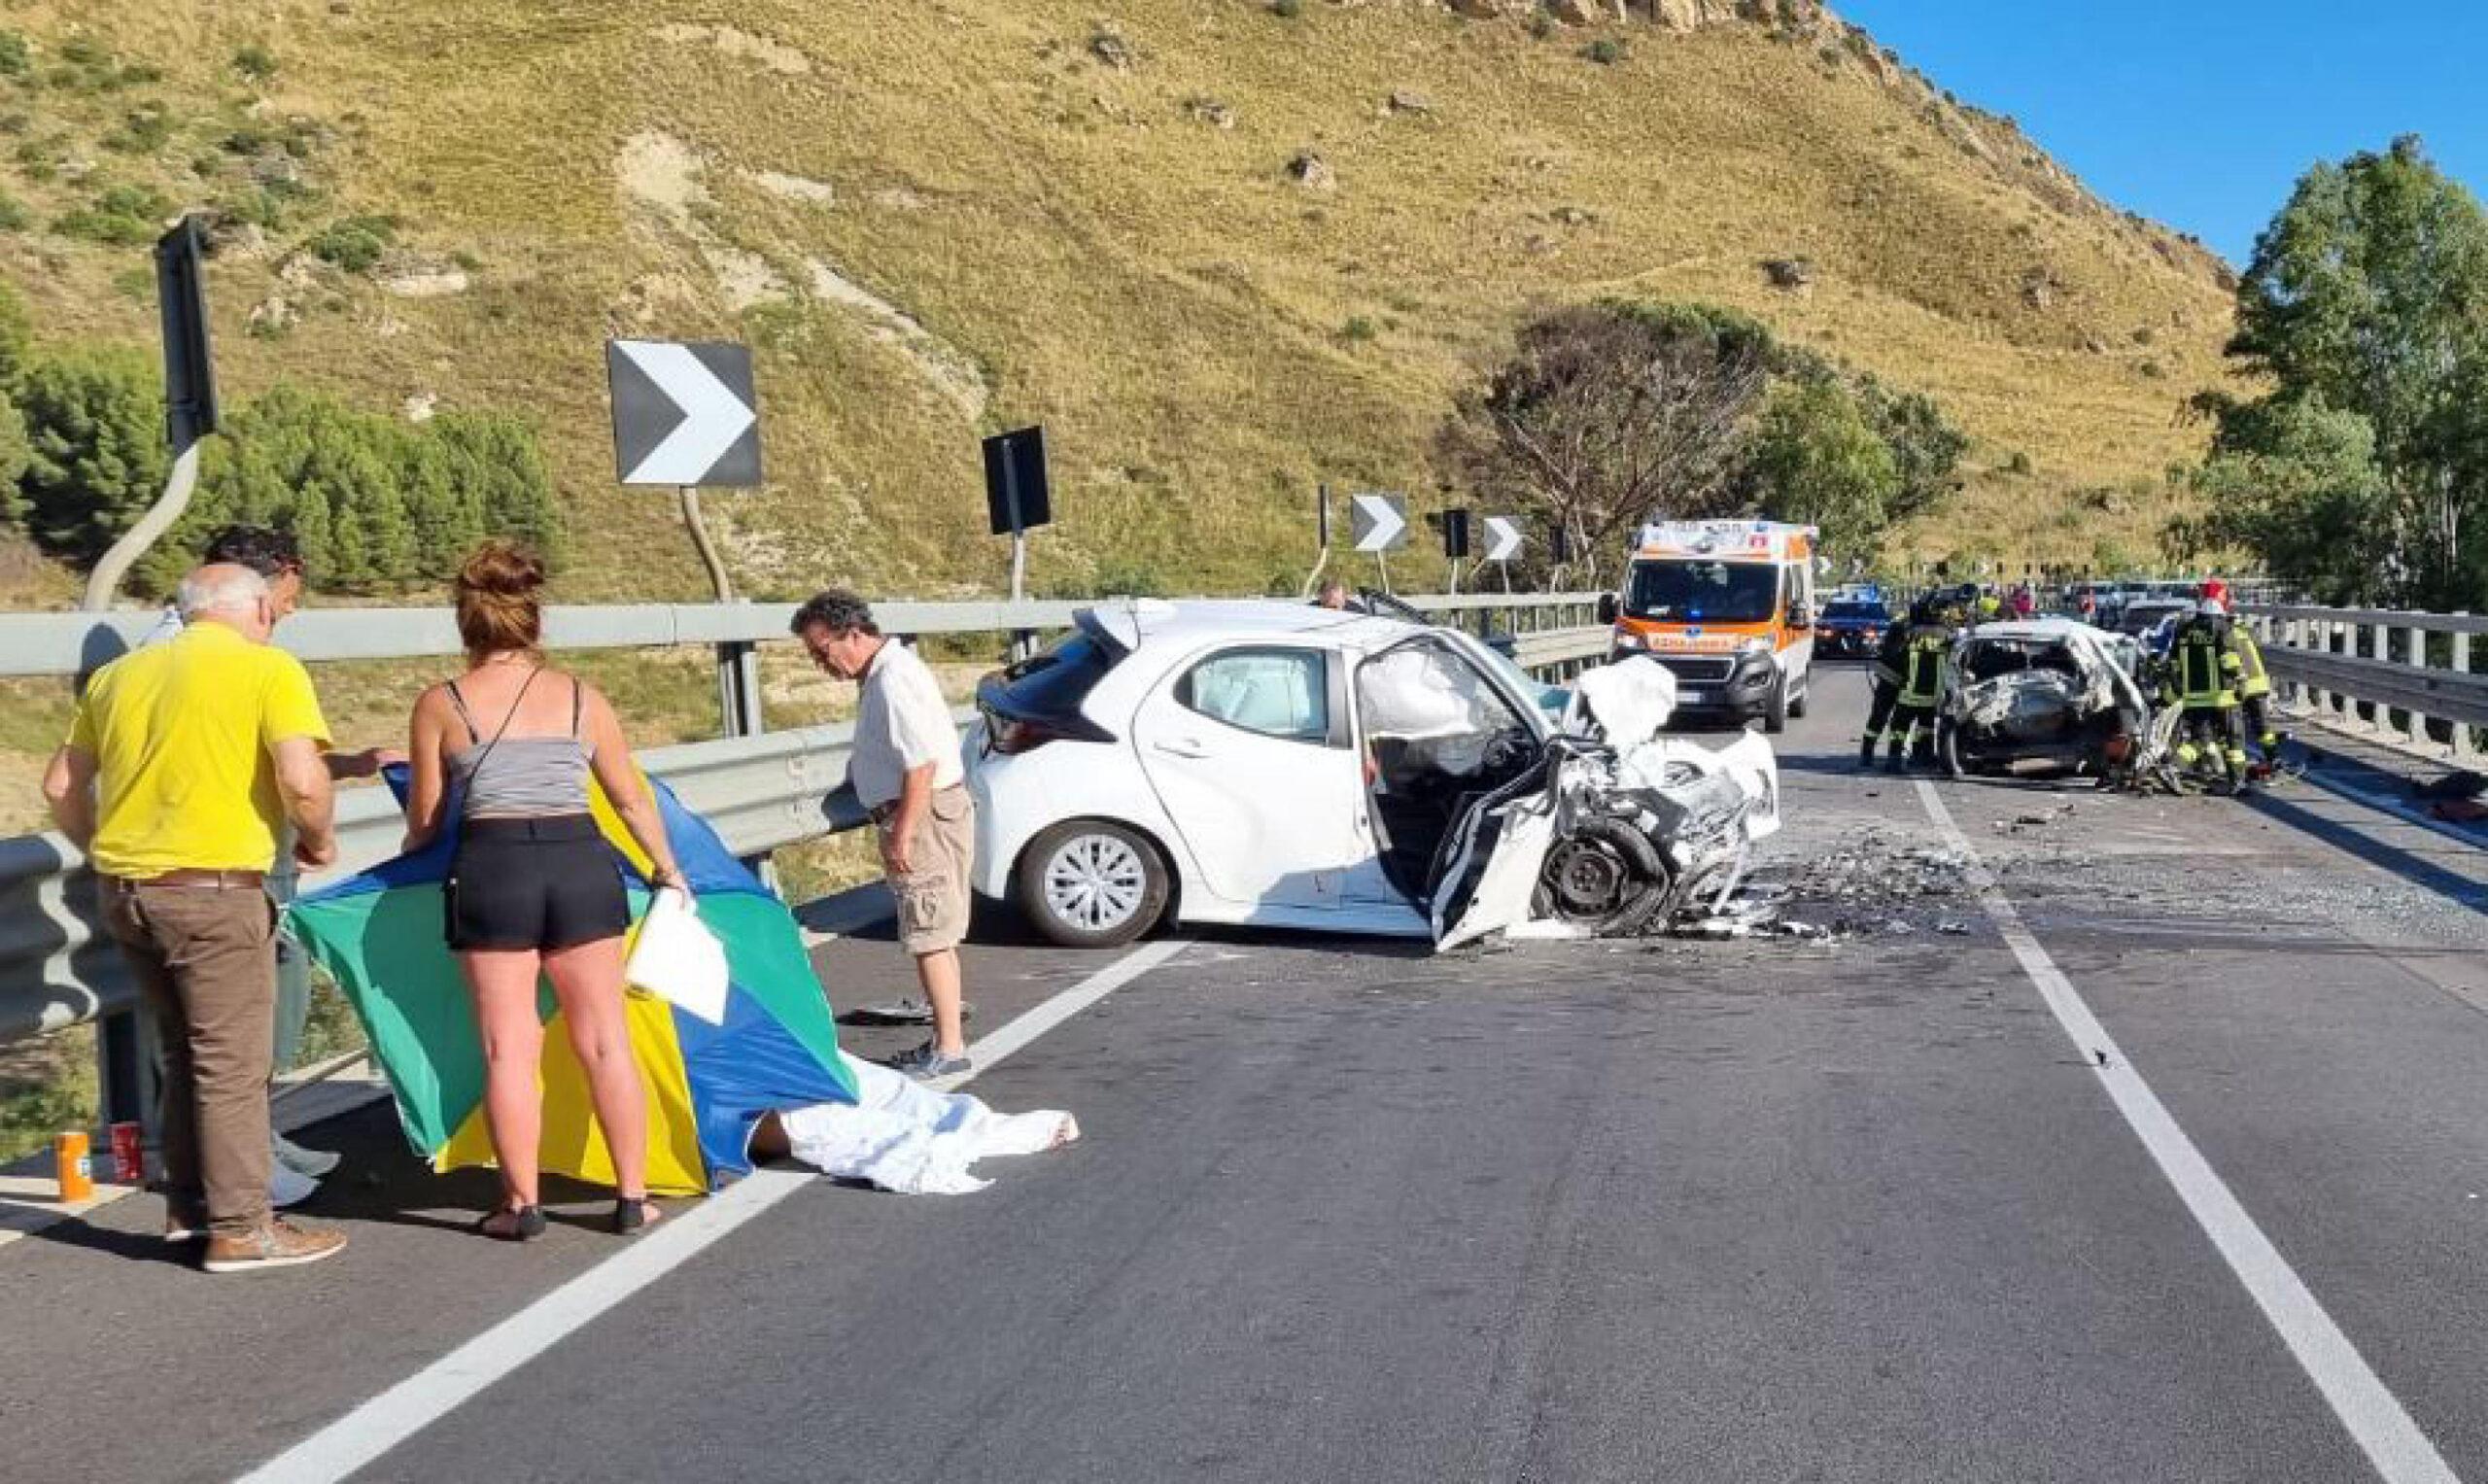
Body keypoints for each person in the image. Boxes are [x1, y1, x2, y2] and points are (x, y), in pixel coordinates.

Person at [42, 565, 349, 1271]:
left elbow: (61, 784)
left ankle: (190, 1208)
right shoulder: (268, 670)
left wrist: (102, 847)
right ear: (253, 611)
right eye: (269, 609)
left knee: (186, 1055)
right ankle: (243, 1225)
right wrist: (320, 839)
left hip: (126, 890)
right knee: (233, 1064)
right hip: (213, 891)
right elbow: (302, 779)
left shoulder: (119, 676)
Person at [401, 541, 684, 1241]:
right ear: (536, 621)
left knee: (508, 1049)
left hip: (493, 869)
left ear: (465, 624)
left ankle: (521, 1204)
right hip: (580, 865)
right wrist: (665, 867)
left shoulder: (442, 704)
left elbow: (427, 822)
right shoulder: (583, 698)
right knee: (605, 1041)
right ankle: (630, 1196)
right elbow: (629, 799)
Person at [144, 526, 398, 1206]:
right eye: (283, 598)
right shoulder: (248, 664)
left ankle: (240, 1159)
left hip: (171, 868)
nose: (285, 612)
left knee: (243, 1024)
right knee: (232, 1035)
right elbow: (289, 776)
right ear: (257, 587)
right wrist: (320, 834)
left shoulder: (145, 661)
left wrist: (344, 765)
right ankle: (241, 1195)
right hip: (225, 865)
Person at [792, 590, 976, 1079]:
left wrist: (901, 836)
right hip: (929, 811)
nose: (822, 664)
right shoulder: (887, 673)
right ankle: (946, 1037)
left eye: (823, 651)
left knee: (929, 935)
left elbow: (920, 767)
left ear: (853, 635)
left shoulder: (892, 681)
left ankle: (950, 1049)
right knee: (936, 934)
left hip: (922, 815)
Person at [2160, 600, 2250, 793]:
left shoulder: (2183, 630)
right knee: (2234, 739)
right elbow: (2229, 660)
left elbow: (2173, 664)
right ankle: (2238, 781)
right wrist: (2241, 680)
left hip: (2194, 698)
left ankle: (2173, 767)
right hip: (2222, 697)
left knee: (2202, 740)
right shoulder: (2220, 628)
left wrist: (2177, 688)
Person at [1879, 593, 1959, 774]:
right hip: (1933, 696)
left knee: (1899, 728)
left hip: (1908, 694)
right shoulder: (1948, 635)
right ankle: (1923, 757)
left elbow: (1895, 658)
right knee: (1926, 727)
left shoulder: (1910, 633)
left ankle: (1894, 760)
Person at [1858, 596, 1918, 770]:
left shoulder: (1900, 626)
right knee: (1894, 721)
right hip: (1898, 680)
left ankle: (1868, 754)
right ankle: (1891, 758)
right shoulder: (1906, 629)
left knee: (1879, 718)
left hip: (1890, 679)